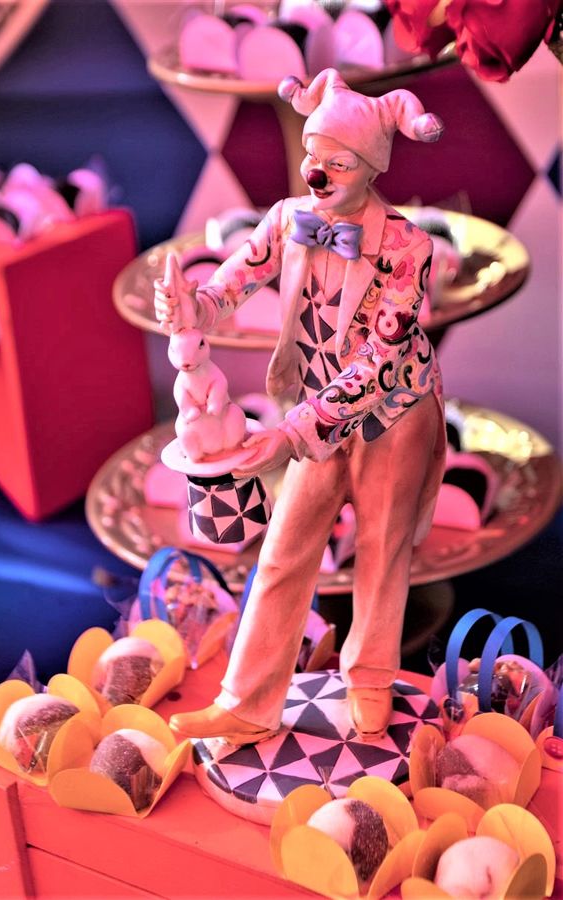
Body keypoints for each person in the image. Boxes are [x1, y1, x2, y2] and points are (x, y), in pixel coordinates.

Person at [155, 68, 447, 744]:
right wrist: (193, 306)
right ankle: (247, 702)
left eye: (337, 163)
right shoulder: (288, 219)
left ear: (371, 167)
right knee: (284, 550)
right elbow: (231, 285)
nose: (317, 173)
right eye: (313, 156)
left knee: (381, 547)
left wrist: (291, 433)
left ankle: (370, 676)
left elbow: (379, 362)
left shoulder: (408, 247)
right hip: (313, 414)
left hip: (394, 413)